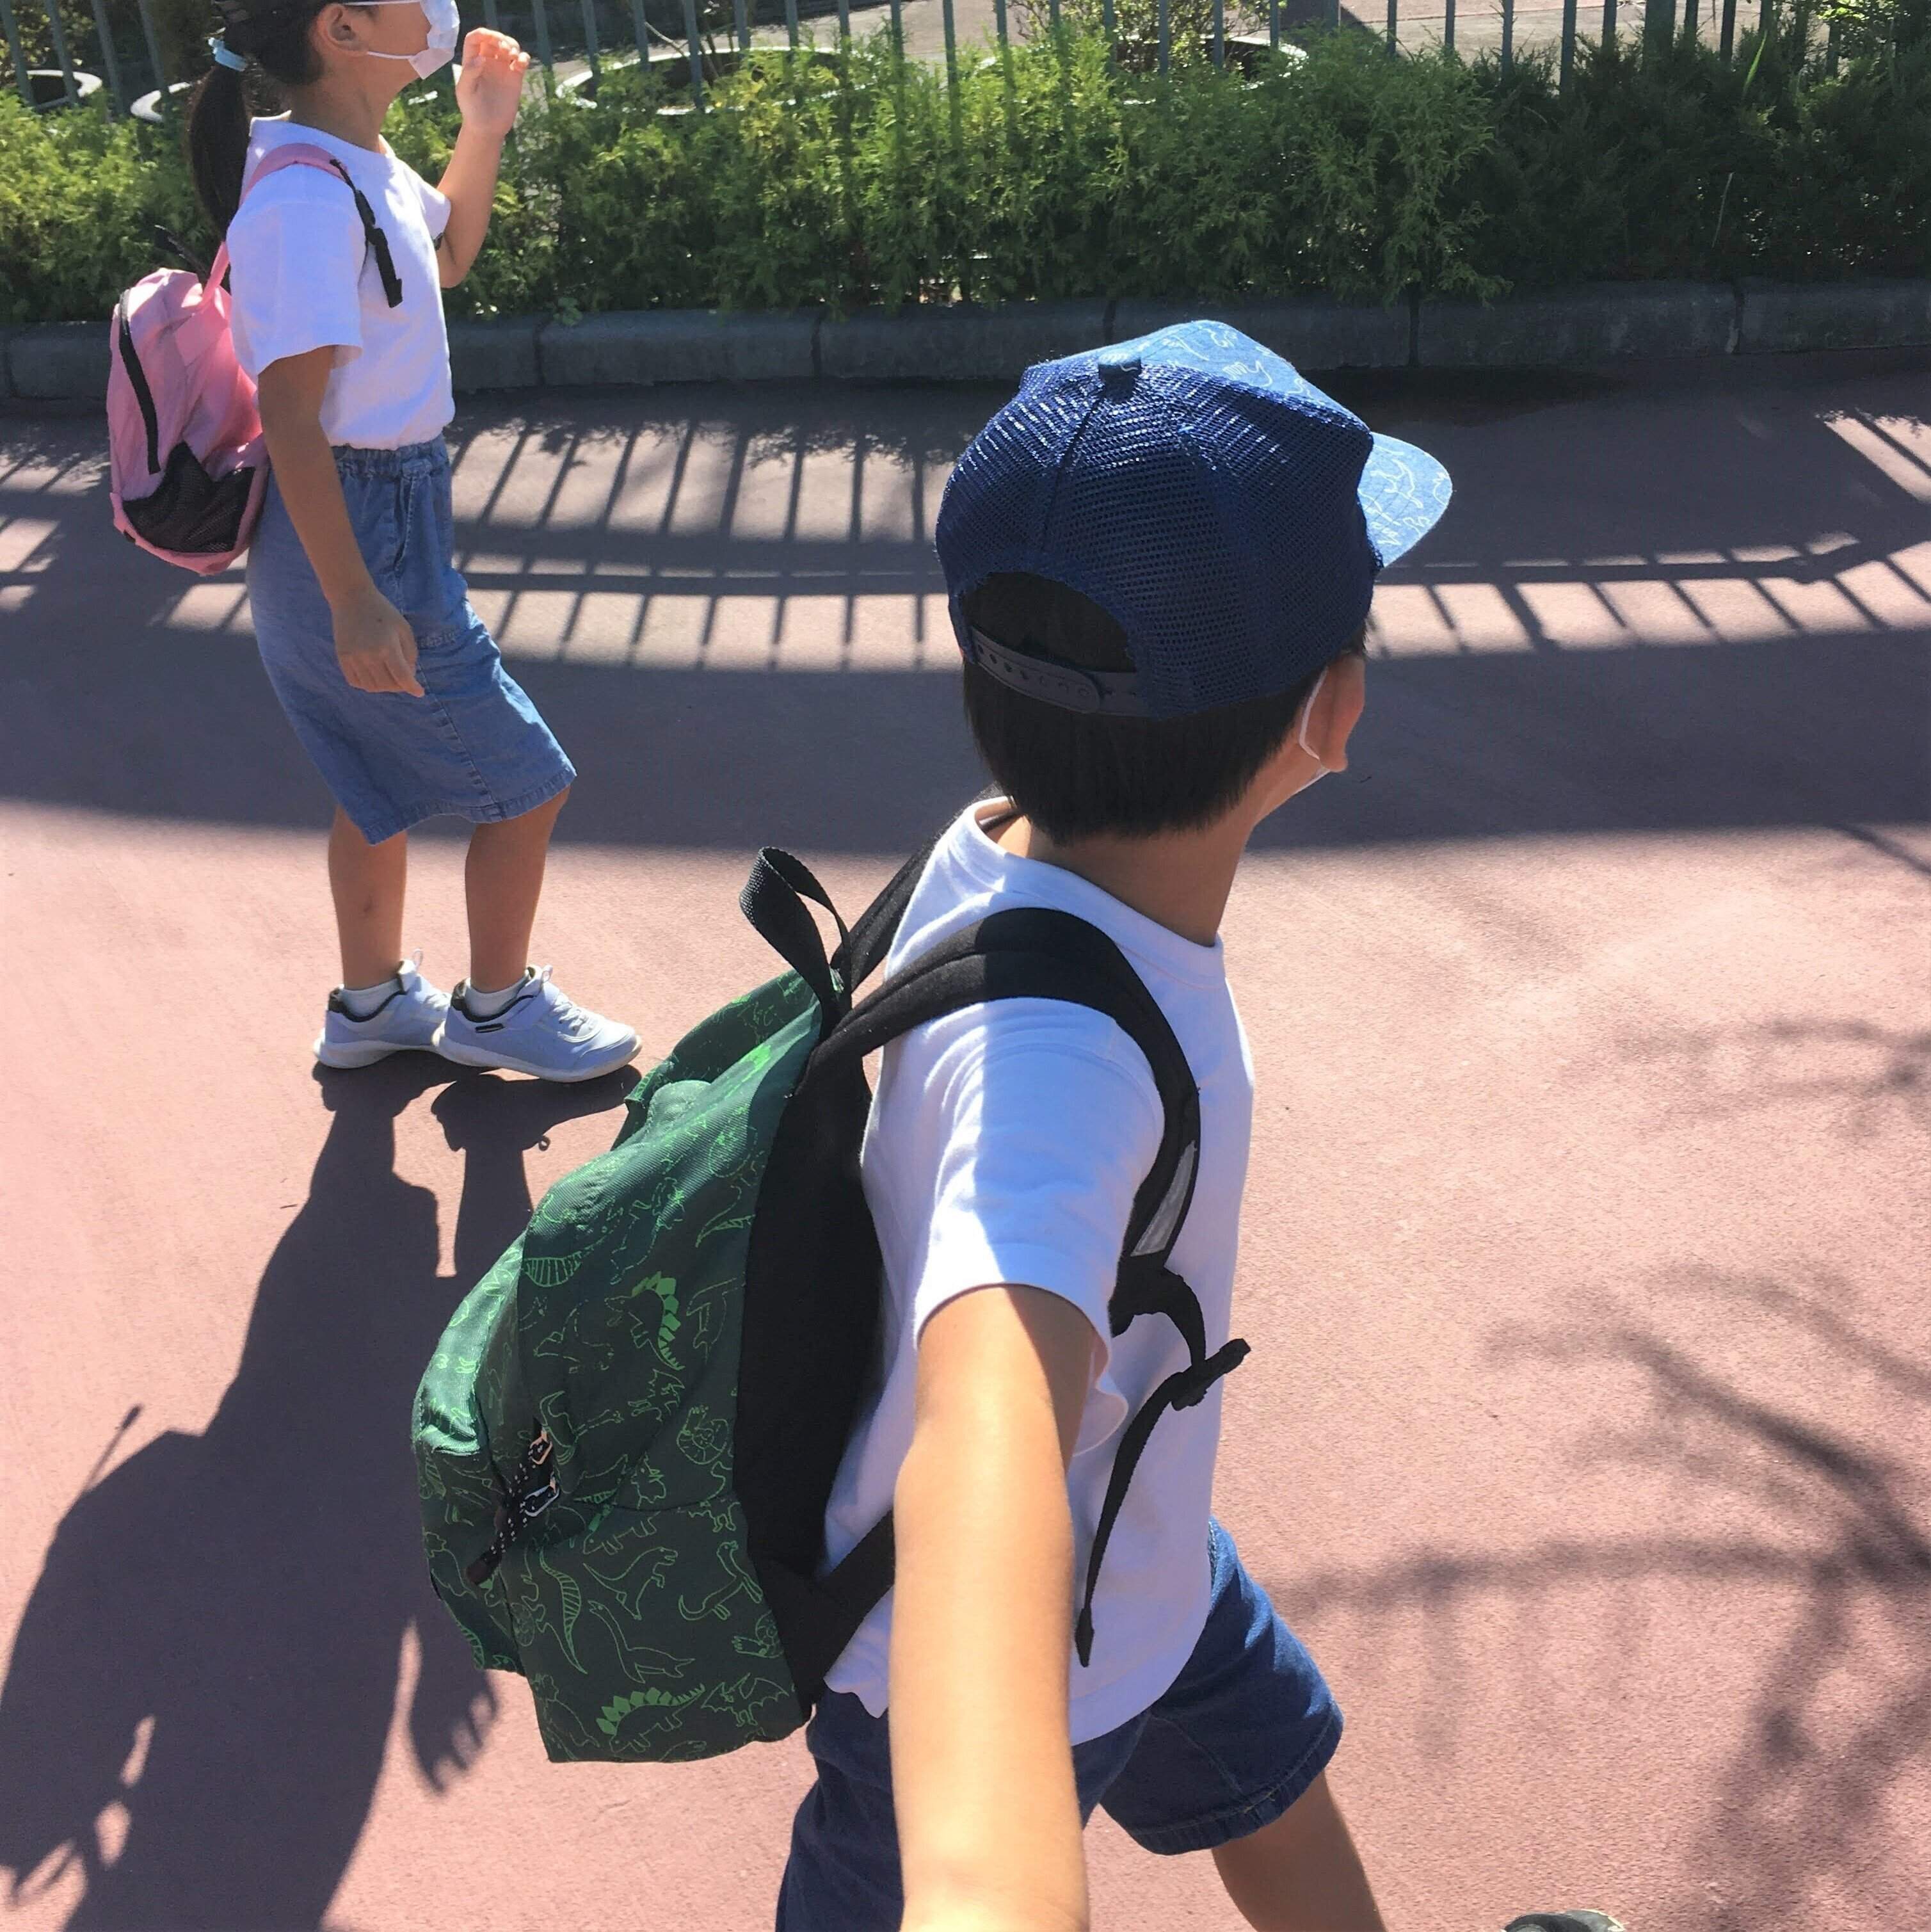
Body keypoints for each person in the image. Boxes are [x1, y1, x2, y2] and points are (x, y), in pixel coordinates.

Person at [777, 325, 1623, 1932]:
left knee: (1276, 1789)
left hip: (1145, 1544)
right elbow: (983, 1433)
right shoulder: (1064, 1075)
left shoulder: (997, 843)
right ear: (1331, 714)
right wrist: (990, 1892)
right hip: (985, 1656)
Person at [186, 0, 637, 1081]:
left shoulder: (355, 162)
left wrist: (482, 125)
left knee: (372, 783)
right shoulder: (302, 200)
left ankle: (372, 1001)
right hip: (354, 524)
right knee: (527, 780)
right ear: (342, 32)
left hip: (382, 510)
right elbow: (292, 418)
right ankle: (495, 1009)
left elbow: (449, 254)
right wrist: (354, 599)